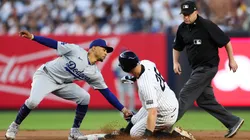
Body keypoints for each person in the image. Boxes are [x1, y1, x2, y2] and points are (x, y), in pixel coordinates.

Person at [5, 30, 132, 140]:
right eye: (104, 49)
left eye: (107, 51)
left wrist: (123, 109)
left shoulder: (95, 73)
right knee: (33, 101)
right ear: (93, 48)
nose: (106, 53)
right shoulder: (76, 50)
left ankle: (74, 131)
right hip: (46, 75)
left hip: (63, 84)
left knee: (85, 97)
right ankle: (14, 126)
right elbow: (54, 44)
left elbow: (107, 93)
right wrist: (33, 37)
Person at [172, 1, 244, 138]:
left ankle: (166, 124)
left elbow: (226, 41)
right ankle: (233, 122)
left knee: (185, 94)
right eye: (183, 15)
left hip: (207, 67)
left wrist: (232, 60)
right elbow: (176, 47)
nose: (186, 17)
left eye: (188, 14)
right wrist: (175, 62)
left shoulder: (206, 25)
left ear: (195, 12)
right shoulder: (182, 28)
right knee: (204, 101)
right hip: (197, 68)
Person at [105, 50, 195, 140]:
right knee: (135, 119)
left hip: (164, 113)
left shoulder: (145, 85)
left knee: (135, 133)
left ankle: (175, 137)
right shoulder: (146, 63)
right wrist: (133, 78)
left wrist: (147, 135)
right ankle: (124, 134)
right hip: (167, 100)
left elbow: (153, 112)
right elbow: (146, 75)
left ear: (125, 68)